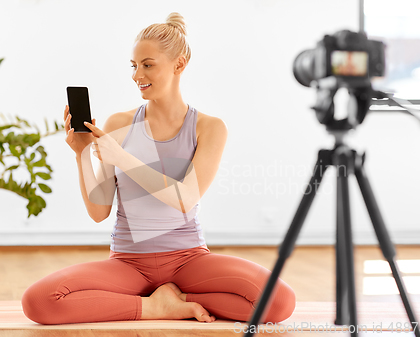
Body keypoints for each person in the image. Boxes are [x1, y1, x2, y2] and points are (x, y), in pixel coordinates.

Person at [21, 12, 296, 325]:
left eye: (148, 64)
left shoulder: (209, 128)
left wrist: (122, 157)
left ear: (179, 65)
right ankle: (154, 307)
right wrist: (83, 154)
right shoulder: (119, 124)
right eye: (134, 65)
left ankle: (179, 299)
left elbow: (185, 197)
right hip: (128, 262)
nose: (138, 74)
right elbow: (99, 212)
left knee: (279, 302)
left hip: (188, 259)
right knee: (40, 301)